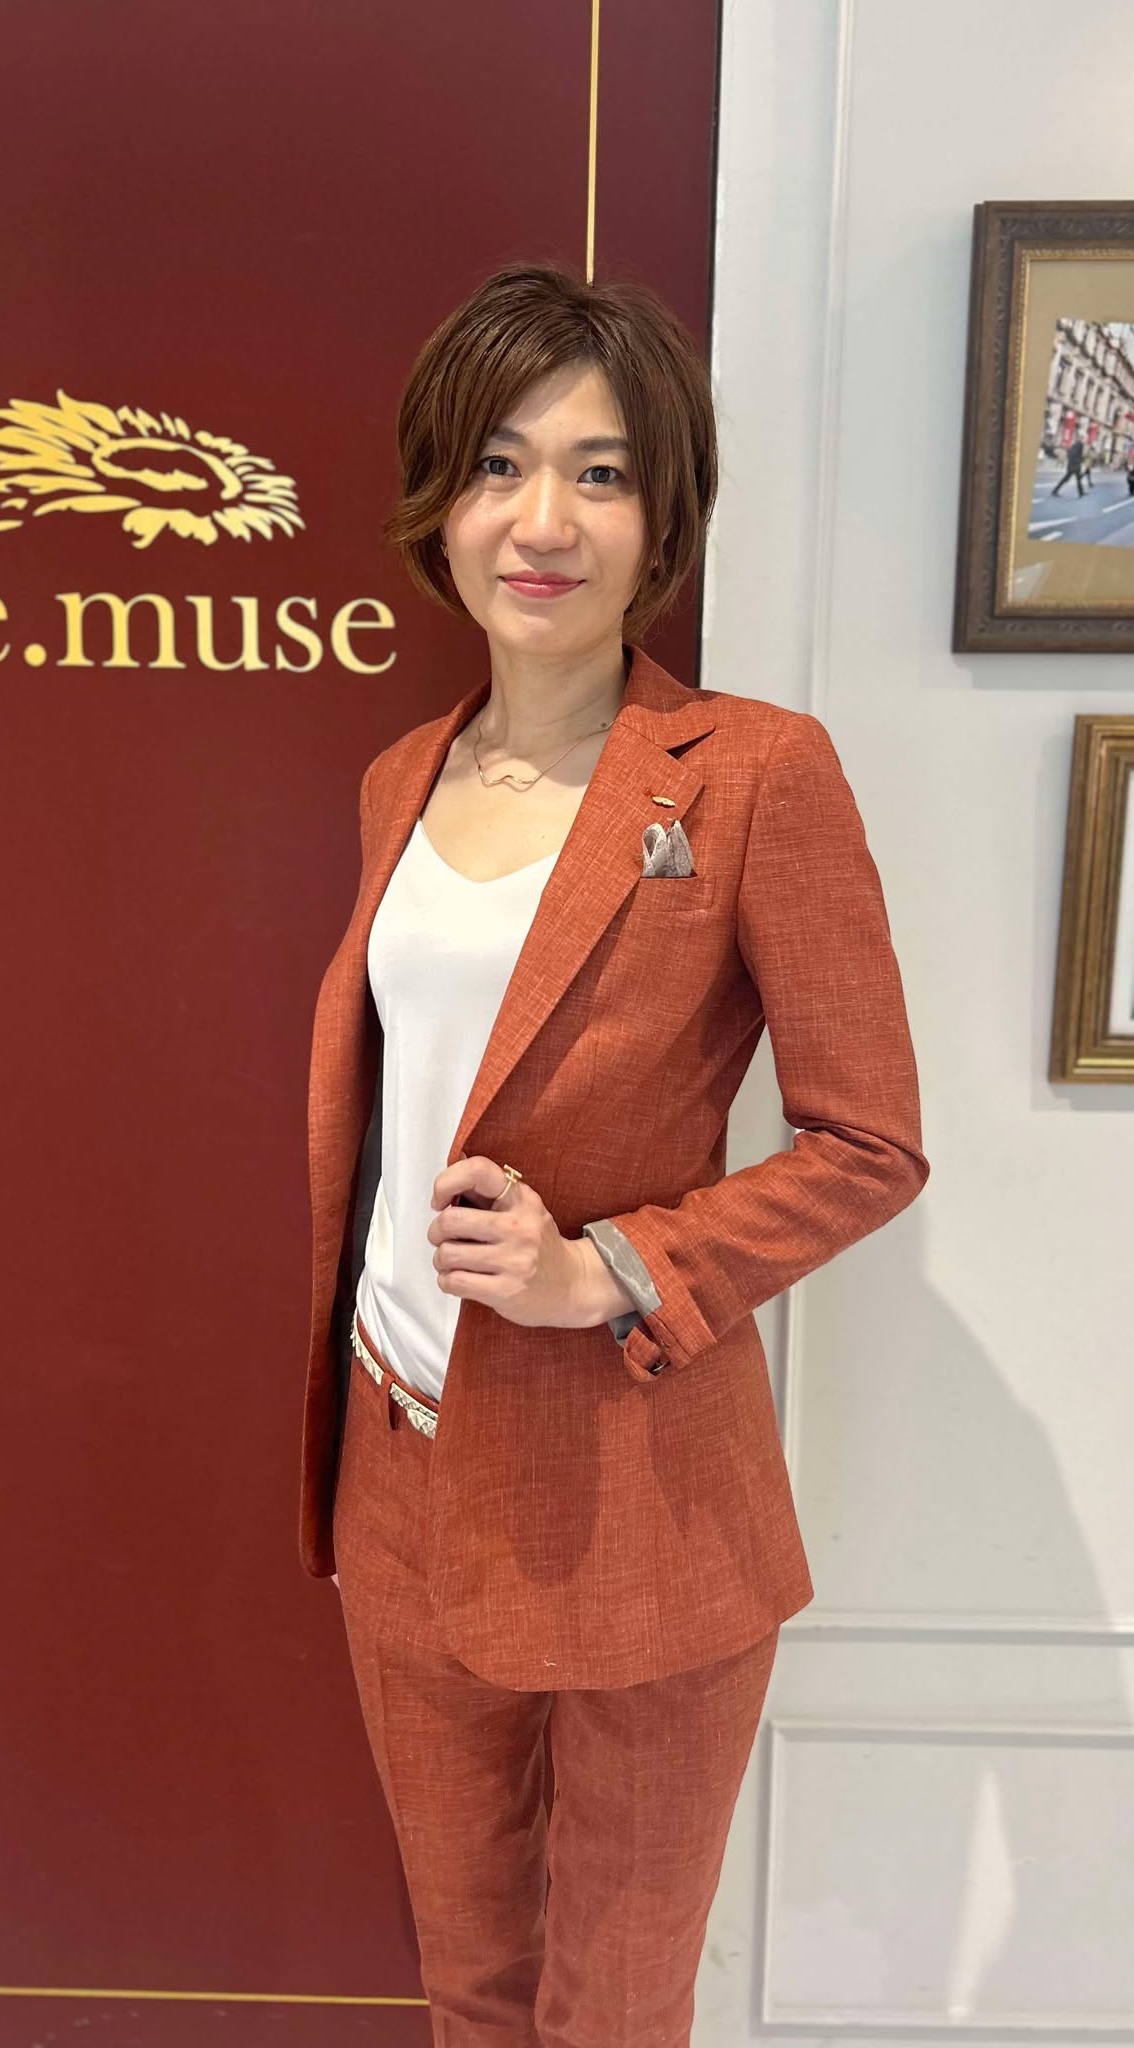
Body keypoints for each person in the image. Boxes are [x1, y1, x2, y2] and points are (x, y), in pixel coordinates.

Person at [300, 261, 929, 2045]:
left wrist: (612, 1269)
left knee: (613, 2006)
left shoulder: (750, 774)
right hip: (401, 1458)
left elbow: (870, 1137)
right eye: (500, 466)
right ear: (441, 498)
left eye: (600, 473)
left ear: (665, 517)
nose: (542, 521)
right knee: (471, 1981)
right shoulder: (401, 776)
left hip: (638, 1490)